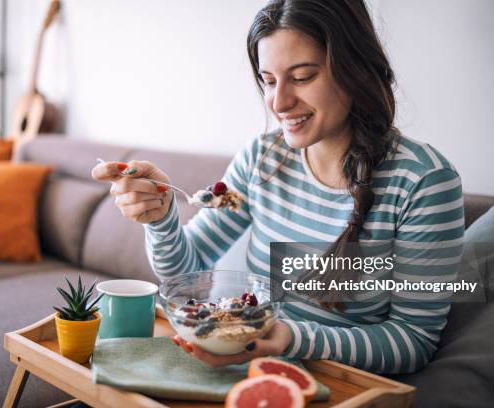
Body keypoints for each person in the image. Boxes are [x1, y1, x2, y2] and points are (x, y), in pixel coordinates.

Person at [92, 0, 464, 374]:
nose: (280, 102)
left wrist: (292, 337)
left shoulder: (424, 182)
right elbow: (185, 274)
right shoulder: (261, 158)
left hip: (343, 384)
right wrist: (161, 219)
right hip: (250, 367)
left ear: (357, 71)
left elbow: (414, 340)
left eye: (302, 77)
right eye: (269, 81)